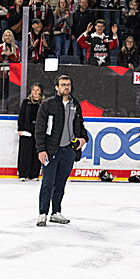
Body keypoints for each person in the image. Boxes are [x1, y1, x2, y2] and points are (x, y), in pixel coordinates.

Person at [35, 74, 89, 227]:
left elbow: (80, 125)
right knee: (48, 182)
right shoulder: (48, 105)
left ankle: (56, 212)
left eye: (69, 84)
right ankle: (42, 213)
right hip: (51, 151)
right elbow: (39, 129)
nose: (67, 87)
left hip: (68, 151)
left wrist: (83, 138)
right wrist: (41, 150)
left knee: (60, 183)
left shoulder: (75, 104)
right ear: (56, 87)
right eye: (63, 84)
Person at [16, 83, 44, 181]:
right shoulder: (26, 102)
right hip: (27, 130)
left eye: (37, 90)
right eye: (33, 90)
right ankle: (23, 173)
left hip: (39, 130)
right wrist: (20, 129)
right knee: (25, 152)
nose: (35, 92)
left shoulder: (43, 103)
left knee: (36, 152)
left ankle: (34, 174)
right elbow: (21, 116)